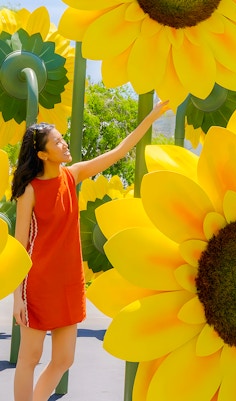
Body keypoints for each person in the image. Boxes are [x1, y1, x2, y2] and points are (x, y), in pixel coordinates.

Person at [10, 99, 169, 401]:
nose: (64, 143)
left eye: (62, 138)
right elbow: (19, 246)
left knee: (64, 360)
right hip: (38, 285)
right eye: (57, 142)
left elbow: (119, 152)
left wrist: (151, 117)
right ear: (43, 154)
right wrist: (18, 295)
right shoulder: (29, 190)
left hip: (69, 283)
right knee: (30, 359)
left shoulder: (74, 175)